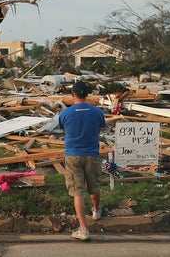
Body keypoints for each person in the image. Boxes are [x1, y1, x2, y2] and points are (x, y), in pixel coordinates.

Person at [58, 79, 106, 241]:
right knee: (94, 185)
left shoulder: (65, 113)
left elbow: (66, 132)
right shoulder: (97, 112)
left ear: (73, 94)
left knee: (77, 191)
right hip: (92, 154)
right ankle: (96, 210)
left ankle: (83, 229)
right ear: (87, 94)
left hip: (73, 155)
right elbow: (98, 131)